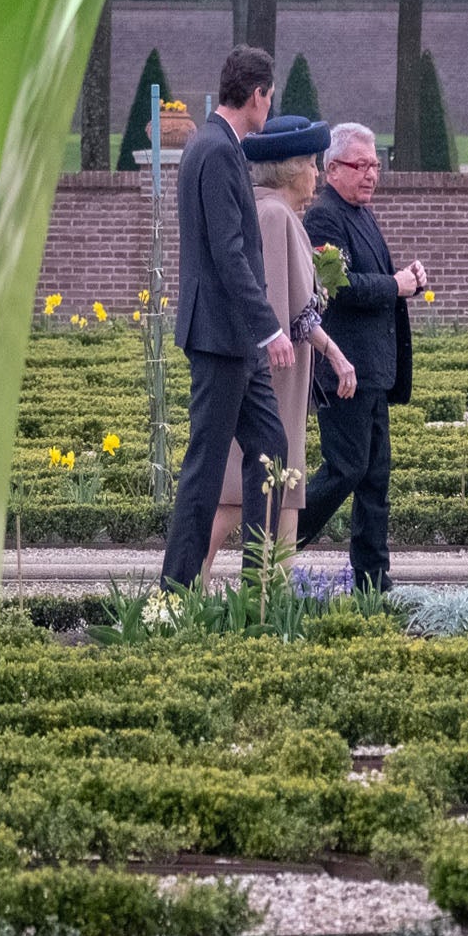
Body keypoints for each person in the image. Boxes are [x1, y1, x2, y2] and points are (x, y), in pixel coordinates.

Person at [159, 46, 295, 590]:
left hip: (234, 341)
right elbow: (228, 252)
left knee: (270, 448)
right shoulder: (216, 151)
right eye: (270, 95)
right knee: (205, 469)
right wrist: (270, 326)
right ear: (258, 95)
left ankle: (259, 586)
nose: (270, 104)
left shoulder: (214, 146)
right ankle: (173, 594)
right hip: (222, 338)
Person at [206, 114, 357, 562]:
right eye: (312, 164)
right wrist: (336, 353)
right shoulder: (273, 214)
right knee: (240, 493)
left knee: (282, 491)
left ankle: (270, 601)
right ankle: (185, 589)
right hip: (273, 380)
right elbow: (278, 312)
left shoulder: (276, 212)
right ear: (292, 168)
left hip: (278, 379)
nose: (316, 174)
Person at [295, 121, 424, 589]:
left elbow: (371, 276)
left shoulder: (361, 212)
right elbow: (336, 286)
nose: (371, 174)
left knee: (374, 479)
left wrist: (405, 277)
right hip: (343, 372)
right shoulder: (323, 218)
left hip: (373, 370)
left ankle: (374, 579)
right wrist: (396, 285)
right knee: (347, 468)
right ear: (332, 169)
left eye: (375, 165)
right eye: (361, 165)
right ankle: (282, 536)